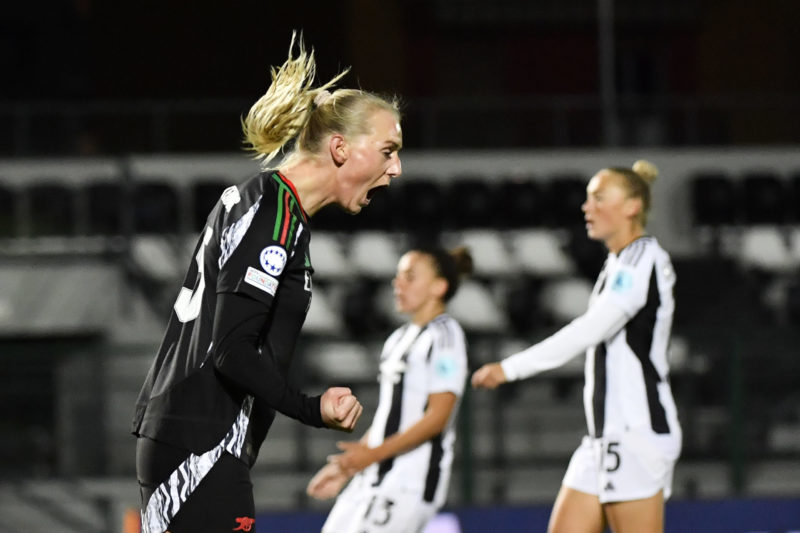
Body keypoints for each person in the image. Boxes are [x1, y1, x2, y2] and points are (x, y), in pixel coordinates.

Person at [132, 32, 403, 533]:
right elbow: (232, 350)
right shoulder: (273, 214)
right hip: (201, 445)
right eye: (388, 150)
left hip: (197, 439)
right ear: (341, 148)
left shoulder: (275, 208)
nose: (396, 168)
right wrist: (311, 408)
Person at [472, 160, 681, 533]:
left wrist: (512, 367)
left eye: (599, 198)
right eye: (587, 199)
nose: (587, 208)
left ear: (632, 206)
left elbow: (591, 329)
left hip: (635, 435)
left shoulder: (643, 258)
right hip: (603, 439)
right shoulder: (617, 264)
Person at [306, 245, 473, 533]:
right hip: (373, 477)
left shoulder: (446, 337)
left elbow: (438, 417)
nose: (398, 284)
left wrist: (371, 455)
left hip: (409, 484)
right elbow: (390, 415)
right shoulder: (398, 338)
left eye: (410, 277)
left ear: (438, 287)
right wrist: (350, 464)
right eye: (398, 276)